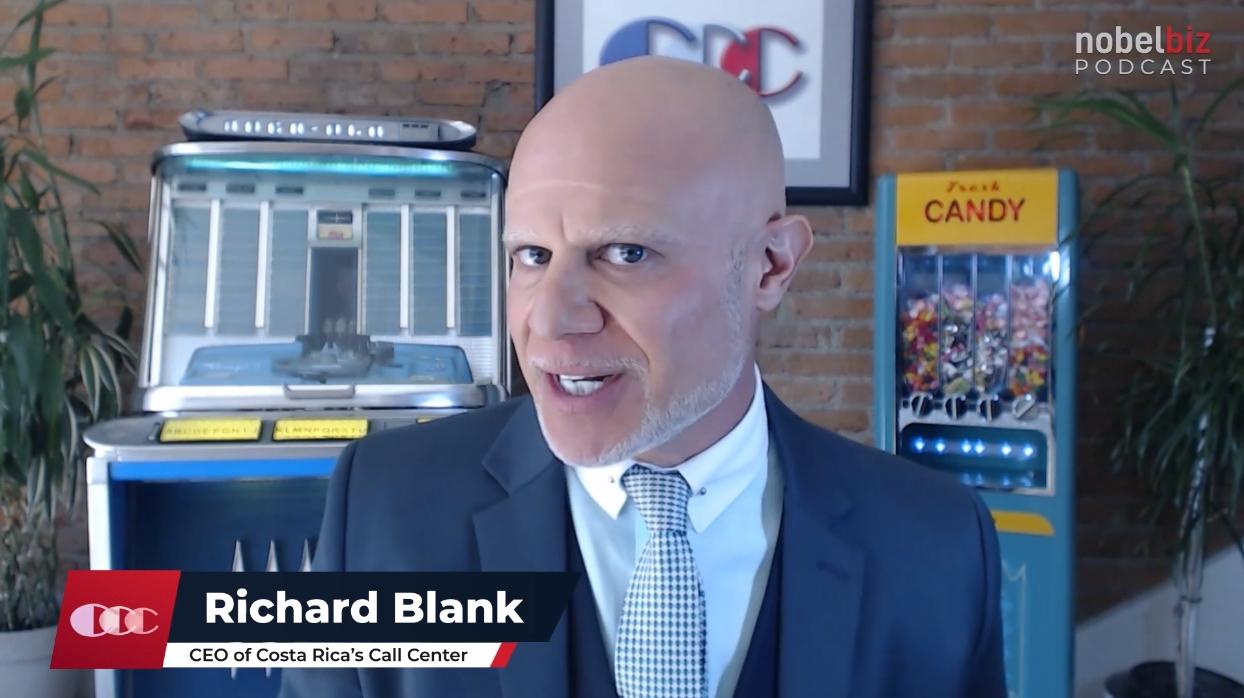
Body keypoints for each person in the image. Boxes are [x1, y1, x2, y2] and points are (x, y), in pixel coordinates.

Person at [280, 56, 1005, 698]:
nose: (550, 319)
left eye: (625, 253)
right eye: (532, 256)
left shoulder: (934, 543)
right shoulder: (386, 509)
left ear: (770, 266)